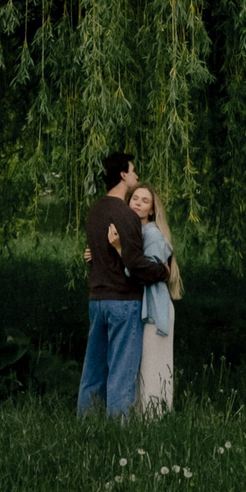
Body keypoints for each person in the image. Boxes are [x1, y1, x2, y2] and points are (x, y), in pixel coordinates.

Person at [78, 152, 171, 420]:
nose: (136, 176)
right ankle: (117, 436)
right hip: (123, 302)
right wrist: (162, 271)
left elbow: (98, 253)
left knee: (93, 370)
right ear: (123, 175)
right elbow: (137, 265)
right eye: (133, 171)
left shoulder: (95, 211)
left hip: (97, 299)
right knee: (121, 372)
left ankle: (86, 427)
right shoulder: (126, 215)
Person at [123, 183, 182, 417]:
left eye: (144, 201)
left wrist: (119, 251)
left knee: (153, 365)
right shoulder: (135, 232)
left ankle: (155, 418)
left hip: (156, 309)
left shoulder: (153, 234)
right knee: (142, 364)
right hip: (145, 307)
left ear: (151, 210)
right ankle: (142, 417)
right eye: (134, 198)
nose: (137, 202)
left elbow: (141, 271)